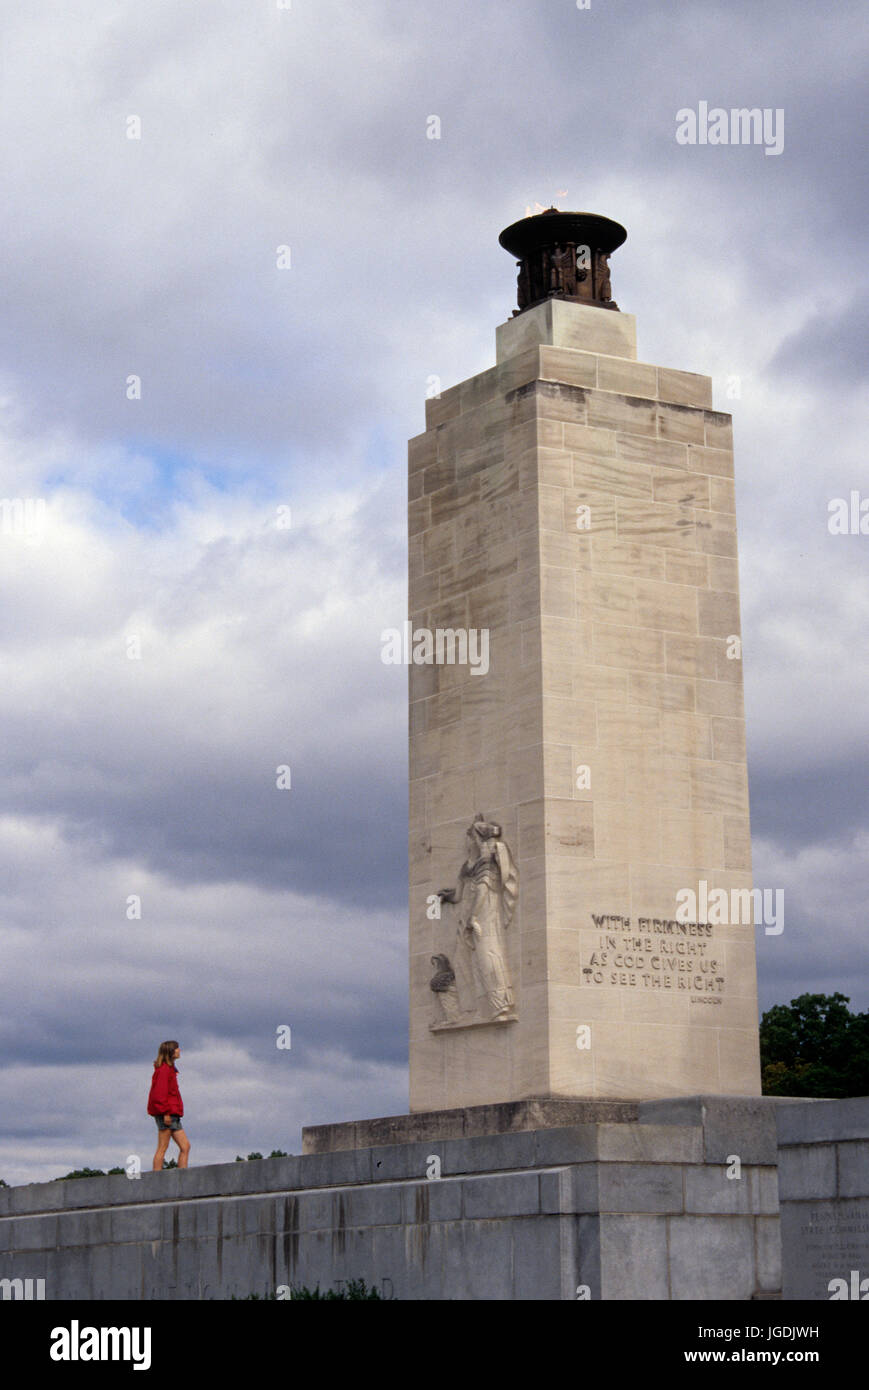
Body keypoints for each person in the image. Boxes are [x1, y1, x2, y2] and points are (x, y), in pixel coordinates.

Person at [147, 1040, 191, 1171]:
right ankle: (156, 1179)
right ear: (171, 1052)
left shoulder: (170, 1069)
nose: (179, 1050)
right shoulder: (164, 1070)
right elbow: (159, 1094)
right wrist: (165, 1113)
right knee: (162, 1147)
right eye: (177, 1048)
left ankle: (182, 1177)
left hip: (173, 1114)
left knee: (185, 1147)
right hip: (167, 1114)